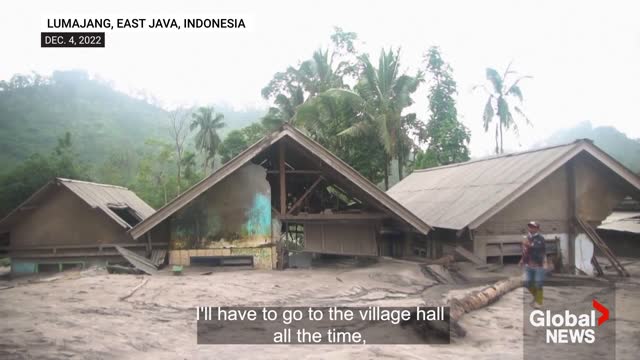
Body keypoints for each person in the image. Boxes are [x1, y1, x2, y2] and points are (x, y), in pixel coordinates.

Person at [520, 221, 547, 308]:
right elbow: (525, 251)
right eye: (530, 227)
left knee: (538, 284)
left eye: (533, 227)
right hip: (528, 264)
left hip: (538, 264)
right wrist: (522, 260)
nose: (531, 228)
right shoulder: (527, 237)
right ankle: (537, 297)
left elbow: (538, 249)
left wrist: (528, 244)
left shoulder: (541, 238)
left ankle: (538, 302)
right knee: (527, 283)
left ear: (537, 228)